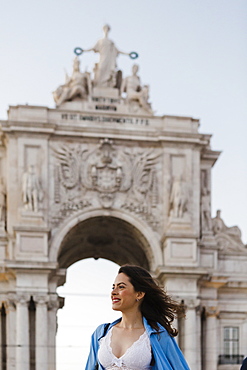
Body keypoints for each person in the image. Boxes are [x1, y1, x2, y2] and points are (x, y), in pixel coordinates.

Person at [85, 264, 190, 369]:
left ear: (139, 294)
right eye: (113, 287)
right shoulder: (101, 333)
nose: (113, 292)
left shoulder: (158, 334)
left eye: (121, 287)